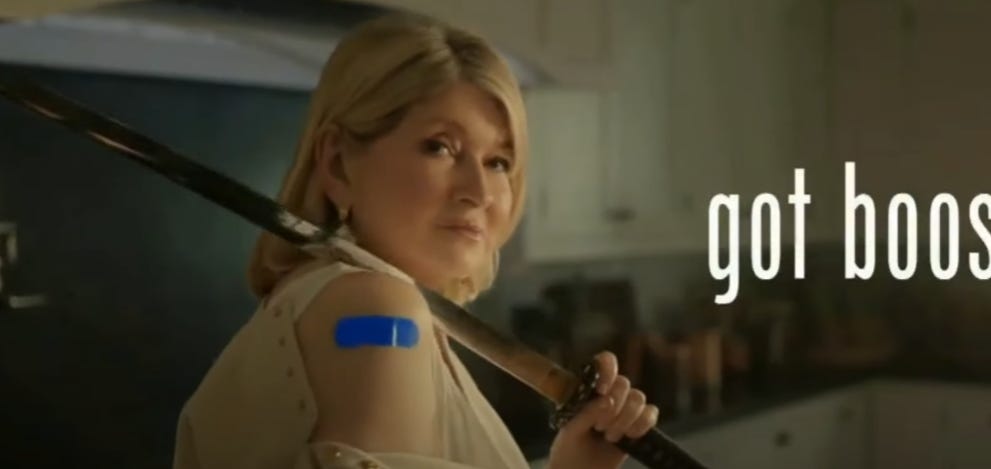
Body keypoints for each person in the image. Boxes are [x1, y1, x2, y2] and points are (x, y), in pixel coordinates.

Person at [170, 11, 660, 469]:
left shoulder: (354, 306)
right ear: (338, 164)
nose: (478, 191)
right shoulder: (379, 312)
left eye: (498, 162)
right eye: (440, 147)